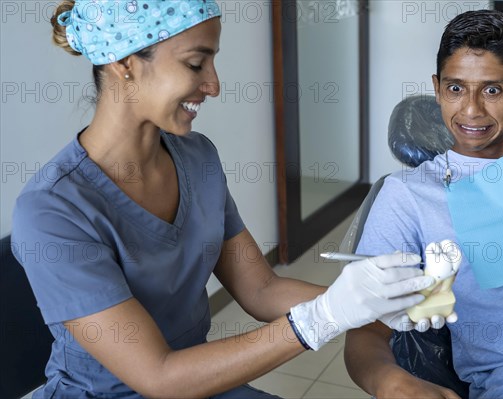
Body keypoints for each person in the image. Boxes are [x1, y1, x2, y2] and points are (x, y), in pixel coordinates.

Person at [9, 1, 439, 398]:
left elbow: (261, 288)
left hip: (195, 380)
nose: (213, 85)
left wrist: (375, 301)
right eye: (196, 63)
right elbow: (158, 376)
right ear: (125, 63)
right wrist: (324, 316)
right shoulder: (53, 211)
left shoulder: (196, 157)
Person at [344, 9, 503, 399]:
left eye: (493, 90)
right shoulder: (408, 195)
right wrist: (390, 381)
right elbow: (366, 326)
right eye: (456, 88)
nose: (471, 110)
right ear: (437, 88)